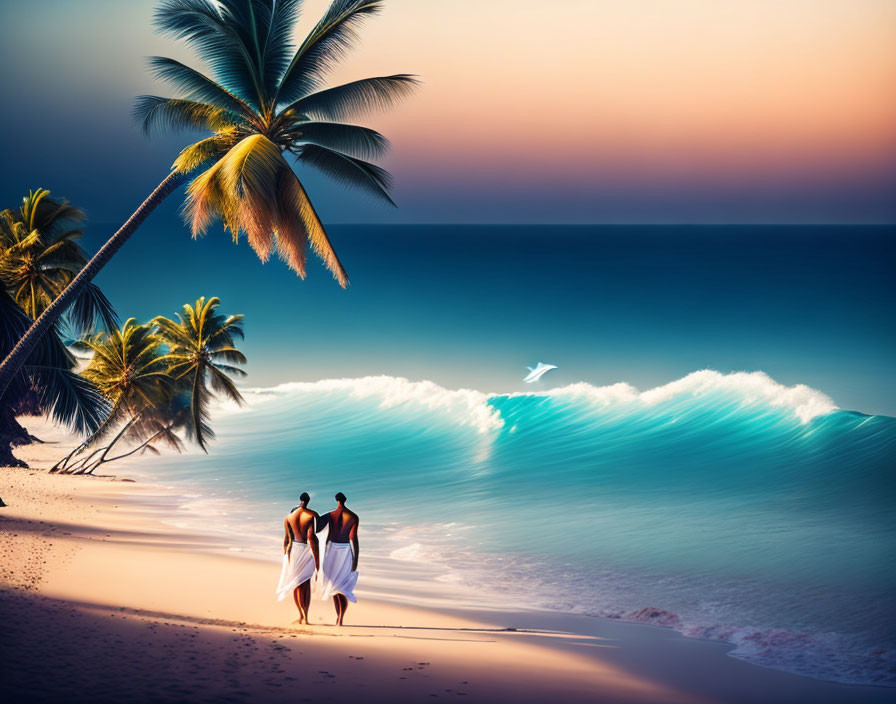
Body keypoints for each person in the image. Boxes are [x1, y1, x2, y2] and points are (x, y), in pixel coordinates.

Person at [316, 491, 359, 626]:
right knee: (343, 587)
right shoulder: (353, 517)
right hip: (345, 550)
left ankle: (338, 617)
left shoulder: (330, 515)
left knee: (334, 586)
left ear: (336, 500)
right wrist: (356, 558)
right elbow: (353, 538)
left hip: (331, 549)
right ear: (345, 500)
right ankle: (340, 618)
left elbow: (316, 527)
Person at [276, 492, 320, 624]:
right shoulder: (311, 515)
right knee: (305, 583)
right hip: (306, 550)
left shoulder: (288, 517)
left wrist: (286, 557)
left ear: (300, 500)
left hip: (293, 550)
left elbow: (286, 540)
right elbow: (311, 538)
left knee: (296, 583)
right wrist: (317, 560)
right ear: (308, 500)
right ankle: (306, 617)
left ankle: (300, 615)